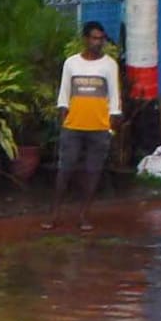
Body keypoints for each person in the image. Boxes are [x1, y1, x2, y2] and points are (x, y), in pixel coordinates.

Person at [53, 22, 123, 201]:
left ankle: (84, 215)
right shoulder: (71, 63)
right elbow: (64, 93)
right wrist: (63, 120)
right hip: (73, 126)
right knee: (65, 169)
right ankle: (55, 213)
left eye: (101, 39)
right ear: (85, 39)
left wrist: (112, 125)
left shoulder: (109, 65)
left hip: (99, 127)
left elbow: (114, 97)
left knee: (93, 172)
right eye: (94, 38)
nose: (98, 42)